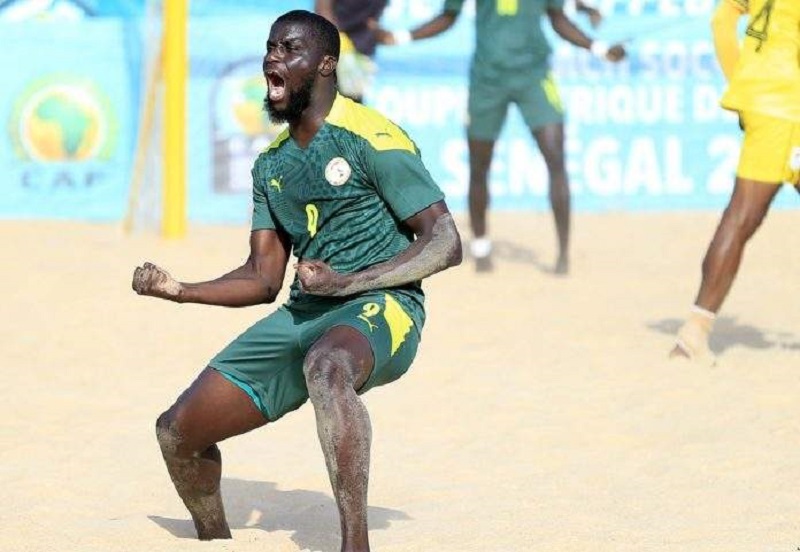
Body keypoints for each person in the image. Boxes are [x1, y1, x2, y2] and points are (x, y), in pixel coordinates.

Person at [131, 10, 462, 550]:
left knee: (327, 366)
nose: (272, 59)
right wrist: (180, 290)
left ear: (326, 65)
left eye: (288, 50)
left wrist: (346, 282)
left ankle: (354, 545)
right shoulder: (271, 166)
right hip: (303, 314)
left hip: (384, 306)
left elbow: (446, 242)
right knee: (177, 433)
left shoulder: (371, 135)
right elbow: (263, 279)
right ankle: (215, 540)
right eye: (269, 49)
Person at [378, 0, 625, 274]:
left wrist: (600, 49)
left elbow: (559, 19)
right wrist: (400, 37)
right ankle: (482, 247)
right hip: (487, 80)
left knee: (556, 157)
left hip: (535, 76)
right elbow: (448, 17)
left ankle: (563, 253)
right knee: (479, 165)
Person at [670, 0, 800, 364]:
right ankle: (692, 335)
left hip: (762, 100)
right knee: (742, 216)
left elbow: (720, 21)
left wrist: (742, 89)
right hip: (789, 108)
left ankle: (692, 335)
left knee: (742, 215)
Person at [315, 0, 388, 103]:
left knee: (351, 105)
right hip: (334, 48)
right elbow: (323, 7)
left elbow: (372, 21)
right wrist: (337, 40)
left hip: (362, 52)